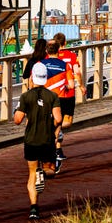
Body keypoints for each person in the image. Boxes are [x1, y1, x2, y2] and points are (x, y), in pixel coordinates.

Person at [13, 62, 62, 220]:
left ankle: (34, 208)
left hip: (31, 140)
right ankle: (46, 172)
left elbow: (17, 120)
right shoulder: (53, 96)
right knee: (51, 169)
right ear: (46, 78)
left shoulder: (26, 96)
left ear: (33, 77)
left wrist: (18, 110)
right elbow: (59, 118)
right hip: (47, 139)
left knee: (31, 174)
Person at [37, 42, 72, 172]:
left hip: (44, 101)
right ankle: (55, 158)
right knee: (55, 132)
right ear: (58, 50)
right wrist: (65, 86)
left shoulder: (39, 65)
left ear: (46, 50)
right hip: (59, 100)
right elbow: (72, 85)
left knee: (43, 131)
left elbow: (32, 84)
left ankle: (44, 160)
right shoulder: (65, 65)